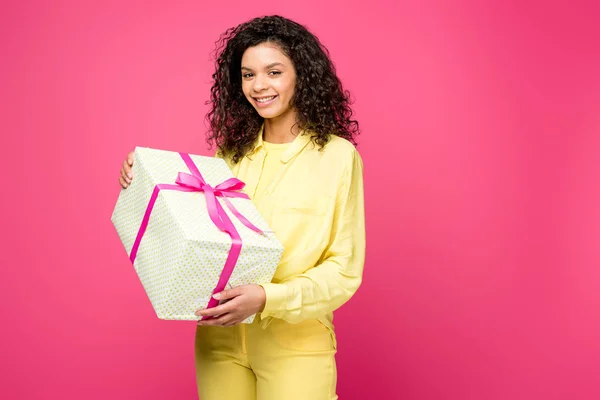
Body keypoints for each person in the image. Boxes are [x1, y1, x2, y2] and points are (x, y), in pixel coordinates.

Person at [118, 15, 365, 400]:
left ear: (303, 74)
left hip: (295, 342)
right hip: (218, 339)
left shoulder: (336, 156)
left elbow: (343, 270)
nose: (259, 85)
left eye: (274, 71)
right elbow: (196, 231)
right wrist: (144, 174)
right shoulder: (230, 155)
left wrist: (268, 297)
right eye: (248, 74)